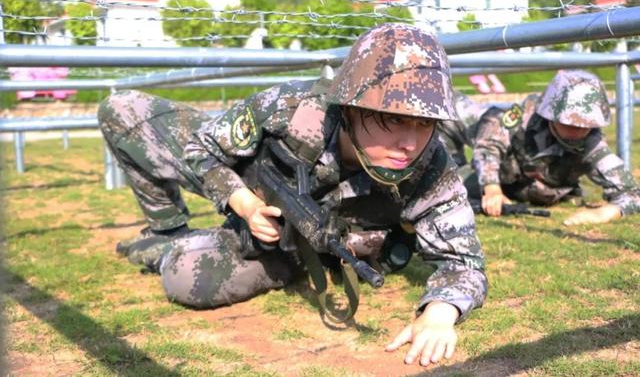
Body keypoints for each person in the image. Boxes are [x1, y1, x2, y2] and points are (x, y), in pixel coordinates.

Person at [97, 23, 487, 366]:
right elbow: (202, 150)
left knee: (186, 277)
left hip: (311, 244)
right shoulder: (289, 110)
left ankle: (175, 250)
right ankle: (166, 232)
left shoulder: (432, 164)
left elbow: (464, 260)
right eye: (394, 120)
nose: (410, 142)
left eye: (425, 124)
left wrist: (439, 314)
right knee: (121, 108)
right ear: (350, 107)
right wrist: (244, 203)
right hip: (251, 193)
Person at [468, 69, 640, 223]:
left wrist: (606, 213)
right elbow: (489, 145)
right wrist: (492, 189)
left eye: (584, 125)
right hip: (496, 180)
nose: (577, 131)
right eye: (569, 123)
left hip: (542, 194)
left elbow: (631, 193)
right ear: (551, 116)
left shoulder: (592, 144)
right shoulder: (524, 117)